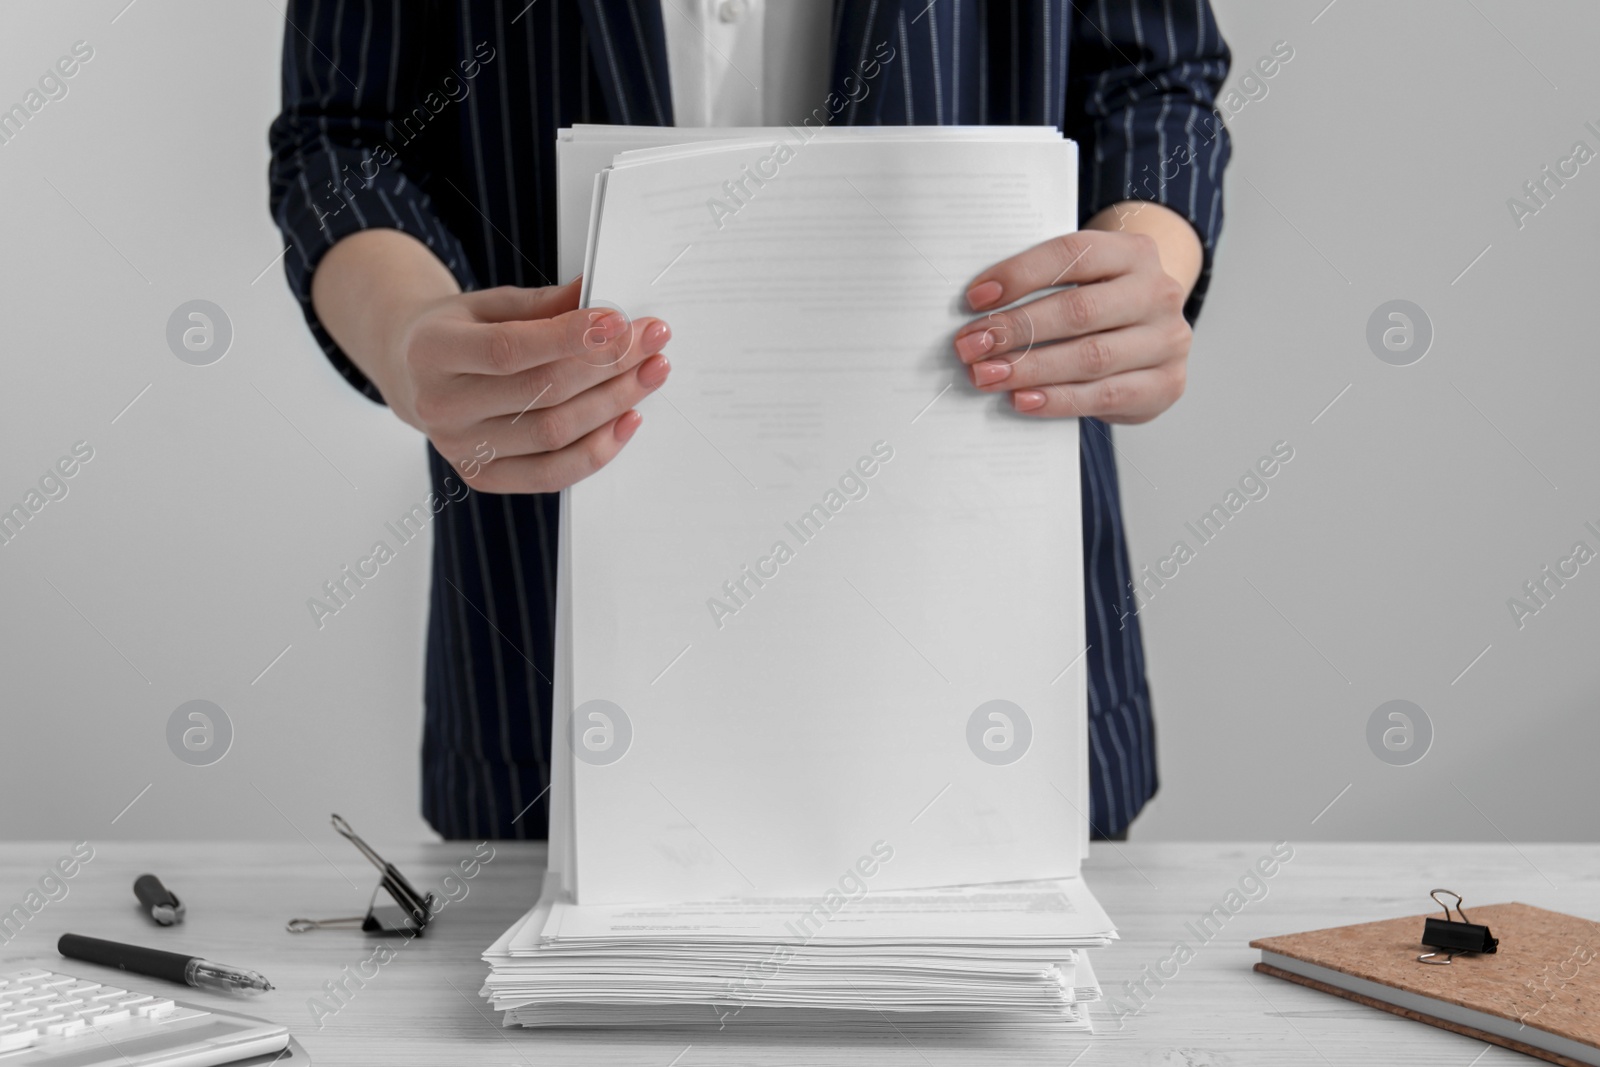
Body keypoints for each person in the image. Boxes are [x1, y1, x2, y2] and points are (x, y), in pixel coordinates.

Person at [268, 0, 1232, 842]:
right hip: (548, 624)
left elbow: (1153, 73)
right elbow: (346, 132)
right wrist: (406, 334)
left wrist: (1145, 265)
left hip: (991, 638)